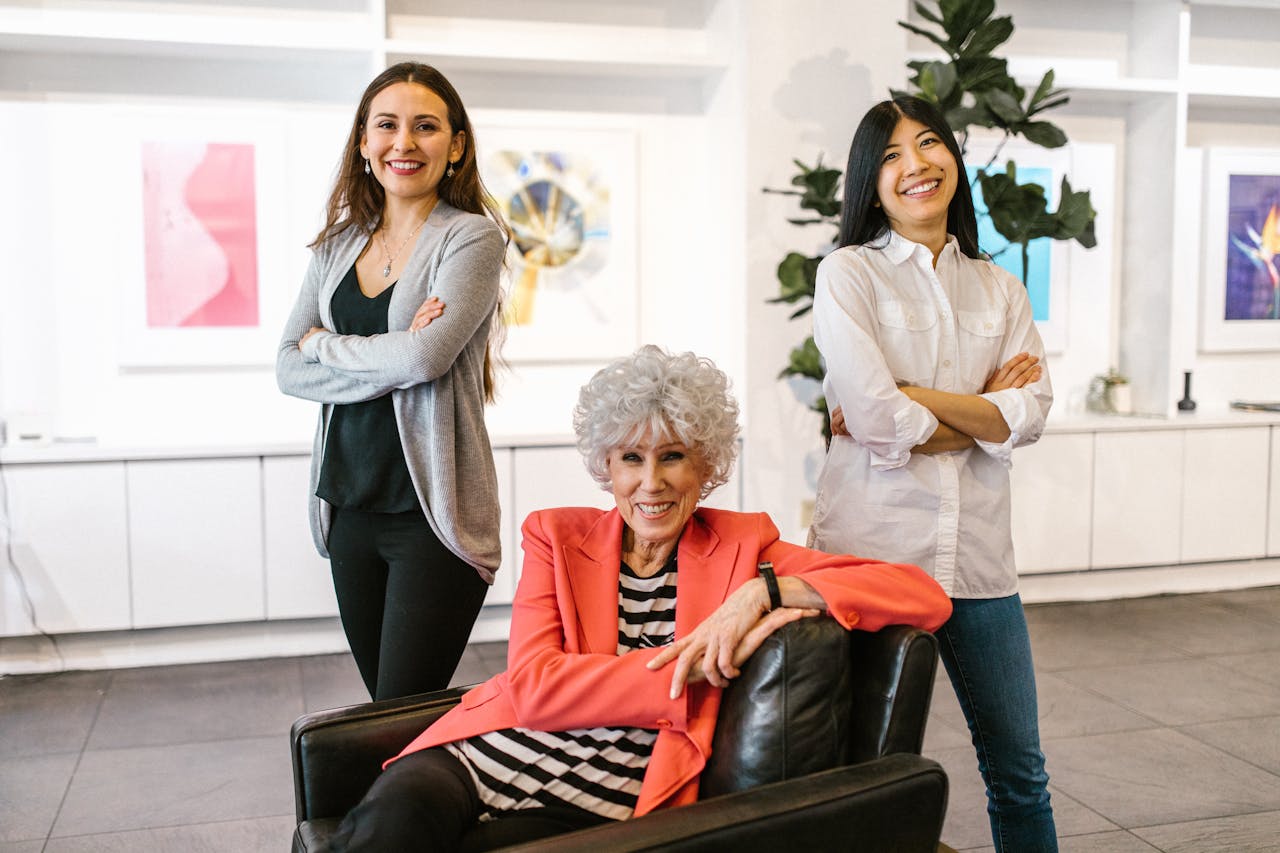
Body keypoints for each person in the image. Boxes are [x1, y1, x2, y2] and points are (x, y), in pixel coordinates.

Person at [320, 345, 953, 852]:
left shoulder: (742, 547)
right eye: (632, 458)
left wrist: (765, 591)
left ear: (704, 466)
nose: (651, 483)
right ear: (608, 466)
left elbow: (921, 596)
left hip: (606, 793)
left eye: (672, 457)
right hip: (487, 751)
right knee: (388, 828)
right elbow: (535, 687)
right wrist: (687, 665)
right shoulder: (556, 535)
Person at [808, 95, 1057, 852]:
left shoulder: (1000, 287)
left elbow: (1034, 410)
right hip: (873, 555)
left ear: (952, 155)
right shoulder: (849, 275)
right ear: (870, 182)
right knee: (864, 776)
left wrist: (920, 403)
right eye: (889, 155)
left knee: (1020, 769)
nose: (914, 165)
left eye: (927, 144)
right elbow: (880, 418)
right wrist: (985, 411)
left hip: (979, 563)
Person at [276, 62, 508, 701]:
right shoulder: (336, 245)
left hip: (430, 513)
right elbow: (288, 369)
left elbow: (424, 362)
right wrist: (390, 352)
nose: (403, 143)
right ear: (363, 140)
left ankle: (417, 802)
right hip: (347, 503)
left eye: (426, 127)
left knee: (406, 703)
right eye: (387, 125)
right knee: (381, 710)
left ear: (455, 144)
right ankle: (400, 802)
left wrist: (326, 344)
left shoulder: (471, 239)